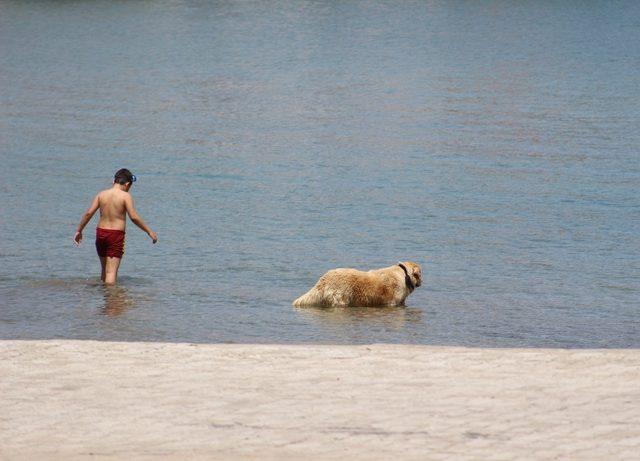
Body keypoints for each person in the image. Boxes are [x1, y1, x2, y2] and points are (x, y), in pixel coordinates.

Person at [74, 168, 157, 284]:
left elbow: (88, 213)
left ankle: (105, 297)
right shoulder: (125, 196)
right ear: (127, 184)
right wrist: (149, 231)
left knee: (104, 270)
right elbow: (133, 217)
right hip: (115, 235)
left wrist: (79, 230)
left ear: (114, 181)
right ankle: (111, 299)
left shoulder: (101, 194)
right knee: (111, 272)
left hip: (101, 233)